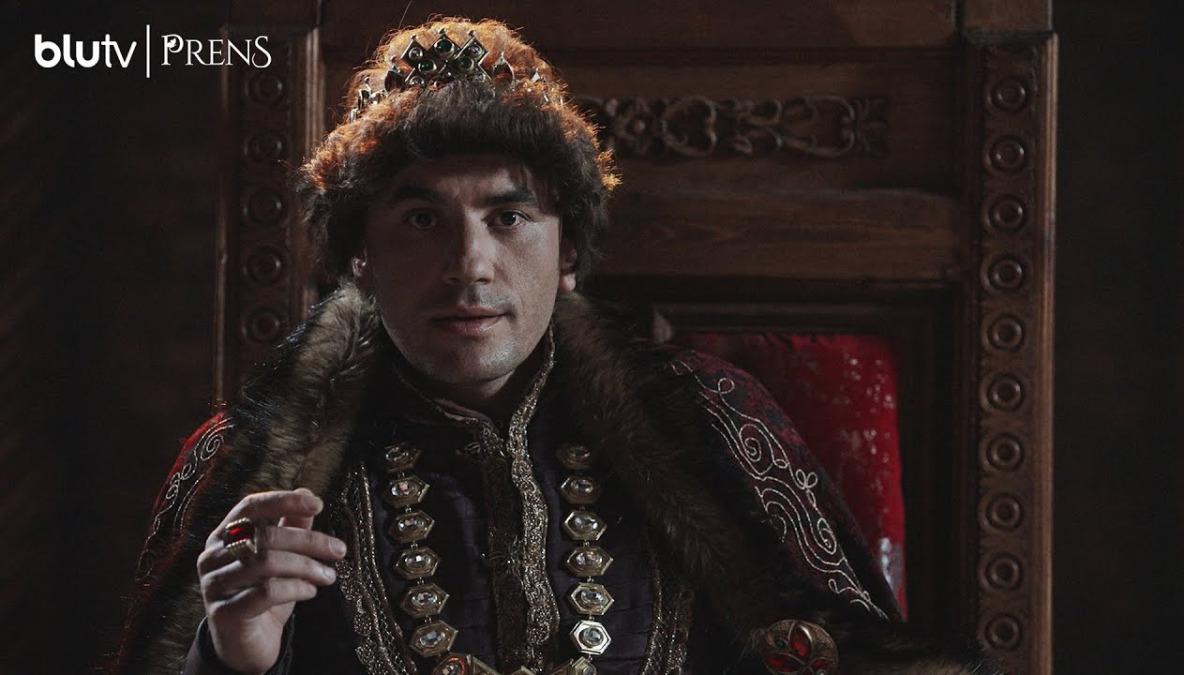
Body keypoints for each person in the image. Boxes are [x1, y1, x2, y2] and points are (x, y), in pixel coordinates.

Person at [111, 17, 995, 675]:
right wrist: (228, 656)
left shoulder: (718, 427)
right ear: (360, 261)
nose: (469, 264)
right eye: (421, 219)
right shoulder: (241, 473)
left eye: (508, 217)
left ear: (567, 253)